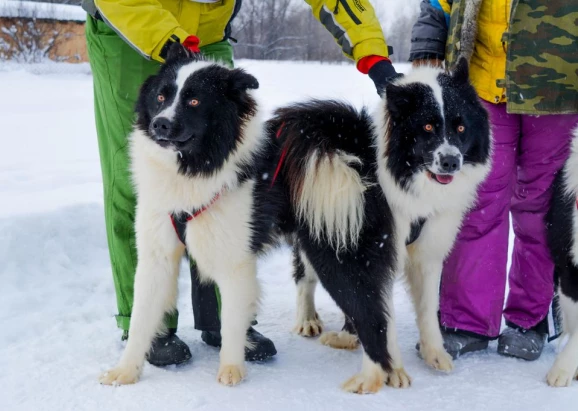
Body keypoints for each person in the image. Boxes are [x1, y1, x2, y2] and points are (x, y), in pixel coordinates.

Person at [82, 0, 402, 367]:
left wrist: (373, 54)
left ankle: (227, 321)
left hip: (208, 33)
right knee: (138, 190)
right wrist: (171, 42)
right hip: (128, 27)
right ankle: (148, 328)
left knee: (226, 185)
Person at [409, 0, 578, 360]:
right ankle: (466, 320)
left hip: (558, 82)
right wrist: (428, 38)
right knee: (476, 200)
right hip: (481, 80)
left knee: (541, 205)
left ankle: (529, 319)